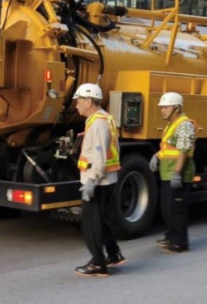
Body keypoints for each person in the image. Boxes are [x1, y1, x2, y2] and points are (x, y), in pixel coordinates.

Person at [72, 83, 125, 278]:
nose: (76, 105)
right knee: (100, 220)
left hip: (98, 182)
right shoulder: (104, 119)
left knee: (90, 224)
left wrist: (91, 181)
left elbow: (100, 157)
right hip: (105, 179)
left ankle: (98, 263)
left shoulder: (98, 123)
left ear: (88, 101)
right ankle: (113, 254)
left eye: (78, 101)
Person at [150, 92, 196, 253]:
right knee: (167, 207)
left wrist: (177, 173)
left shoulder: (184, 124)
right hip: (167, 172)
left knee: (177, 208)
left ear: (176, 108)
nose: (162, 110)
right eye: (161, 107)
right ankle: (171, 236)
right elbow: (170, 147)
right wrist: (157, 155)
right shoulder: (171, 124)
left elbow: (183, 150)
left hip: (178, 173)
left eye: (166, 107)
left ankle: (180, 242)